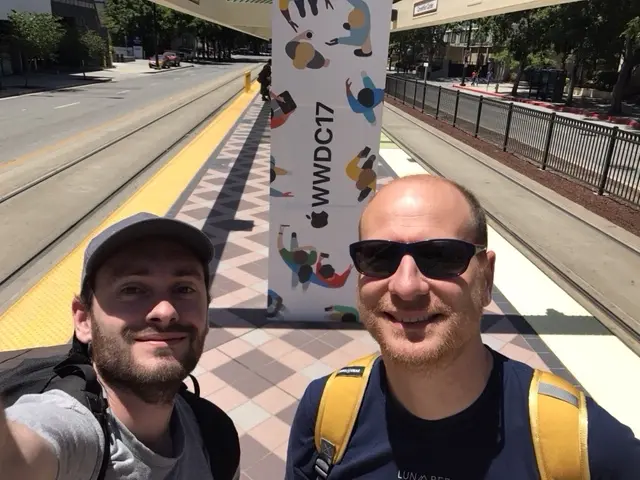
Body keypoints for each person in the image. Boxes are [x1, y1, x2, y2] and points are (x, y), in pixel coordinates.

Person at [286, 174, 640, 479]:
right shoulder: (325, 411)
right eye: (378, 256)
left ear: (485, 278)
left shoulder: (585, 445)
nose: (406, 286)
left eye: (440, 256)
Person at [0, 212, 240, 480]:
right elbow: (18, 456)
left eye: (184, 289)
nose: (165, 310)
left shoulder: (216, 434)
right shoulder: (69, 434)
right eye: (132, 289)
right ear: (84, 320)